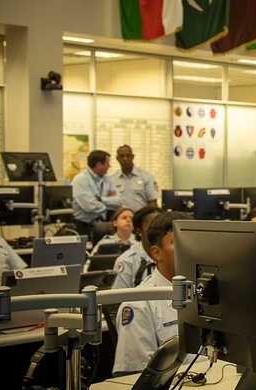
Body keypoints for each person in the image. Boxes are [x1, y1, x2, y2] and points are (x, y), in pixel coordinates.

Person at [112, 211, 186, 375]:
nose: (188, 248)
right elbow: (137, 376)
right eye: (177, 242)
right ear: (156, 253)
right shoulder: (138, 304)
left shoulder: (209, 294)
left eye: (192, 241)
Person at [71, 149, 122, 235]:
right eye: (107, 163)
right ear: (99, 165)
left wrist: (101, 199)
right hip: (83, 226)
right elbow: (89, 206)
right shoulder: (81, 180)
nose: (109, 166)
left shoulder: (108, 180)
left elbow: (119, 201)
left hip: (103, 225)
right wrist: (108, 203)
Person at [110, 205, 161, 290]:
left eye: (161, 228)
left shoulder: (172, 256)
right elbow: (119, 299)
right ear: (139, 231)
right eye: (152, 228)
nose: (157, 233)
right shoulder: (127, 261)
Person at [111, 145, 159, 213]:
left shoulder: (146, 176)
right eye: (122, 156)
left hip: (141, 218)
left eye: (128, 155)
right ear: (117, 158)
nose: (125, 158)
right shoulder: (112, 179)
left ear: (133, 157)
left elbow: (153, 203)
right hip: (121, 219)